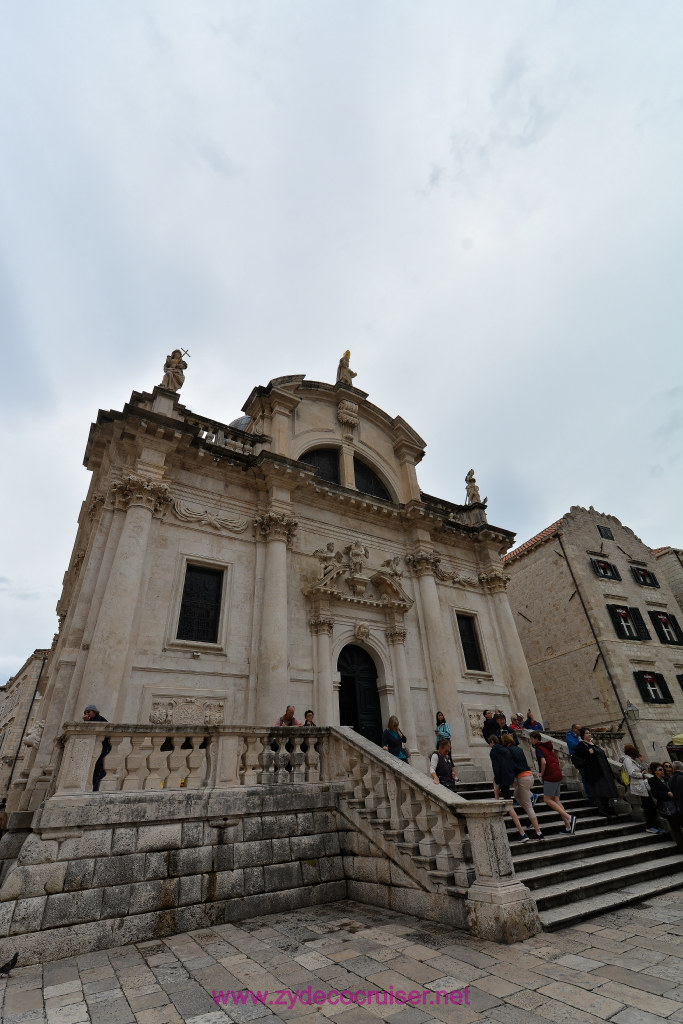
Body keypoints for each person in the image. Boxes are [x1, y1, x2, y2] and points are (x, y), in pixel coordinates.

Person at [489, 736, 543, 843]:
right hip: (530, 775)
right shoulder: (519, 749)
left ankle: (538, 833)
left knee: (527, 806)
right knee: (517, 795)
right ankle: (531, 796)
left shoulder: (507, 751)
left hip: (522, 777)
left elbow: (510, 765)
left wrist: (507, 777)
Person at [530, 732, 576, 834]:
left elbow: (543, 762)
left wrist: (541, 773)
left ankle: (569, 817)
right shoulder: (548, 748)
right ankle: (568, 827)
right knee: (556, 800)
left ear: (535, 739)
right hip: (557, 773)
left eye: (531, 739)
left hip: (550, 775)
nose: (530, 741)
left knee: (547, 799)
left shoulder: (539, 748)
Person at [572, 728, 618, 817]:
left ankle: (608, 808)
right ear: (583, 735)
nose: (589, 734)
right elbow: (579, 759)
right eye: (587, 733)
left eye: (589, 733)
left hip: (604, 770)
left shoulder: (593, 744)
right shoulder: (581, 745)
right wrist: (588, 753)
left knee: (607, 789)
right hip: (594, 772)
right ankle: (602, 809)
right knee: (599, 790)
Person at [621, 744, 662, 833]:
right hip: (639, 786)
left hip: (643, 786)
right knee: (648, 807)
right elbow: (631, 772)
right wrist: (642, 775)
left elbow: (642, 769)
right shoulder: (627, 760)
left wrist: (642, 762)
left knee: (650, 806)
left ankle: (654, 825)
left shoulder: (633, 760)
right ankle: (650, 826)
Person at [83, 704, 110, 792]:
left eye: (89, 712)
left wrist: (88, 723)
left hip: (103, 748)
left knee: (98, 769)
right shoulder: (92, 720)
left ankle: (94, 789)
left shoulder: (100, 720)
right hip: (97, 748)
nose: (87, 714)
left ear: (94, 712)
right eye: (86, 712)